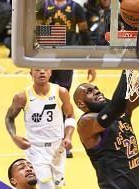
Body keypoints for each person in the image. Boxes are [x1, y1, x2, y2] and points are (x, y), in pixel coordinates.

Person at [5, 69, 76, 189]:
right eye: (37, 70)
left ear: (51, 73)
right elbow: (9, 118)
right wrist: (14, 137)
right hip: (36, 150)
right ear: (31, 73)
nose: (41, 72)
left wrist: (68, 136)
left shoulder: (61, 92)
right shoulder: (22, 96)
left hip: (57, 149)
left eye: (45, 69)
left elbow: (70, 115)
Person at [36, 0, 96, 158]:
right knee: (44, 99)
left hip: (65, 59)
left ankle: (64, 140)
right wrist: (32, 61)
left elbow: (84, 35)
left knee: (62, 100)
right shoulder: (43, 5)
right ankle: (45, 139)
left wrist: (91, 62)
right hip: (46, 58)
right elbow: (34, 33)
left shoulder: (76, 8)